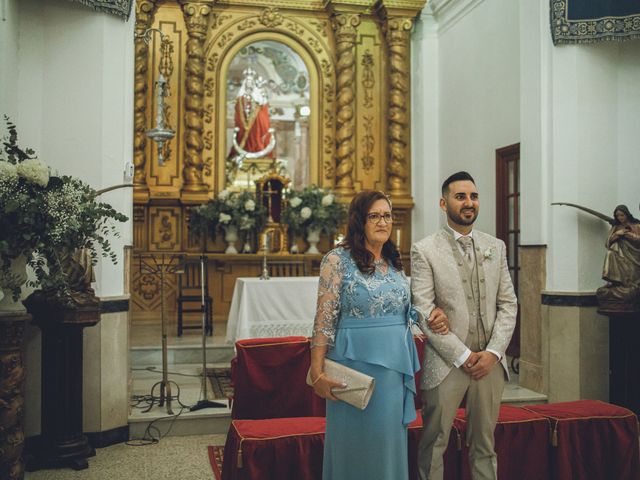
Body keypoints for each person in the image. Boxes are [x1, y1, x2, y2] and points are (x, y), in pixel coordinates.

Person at [310, 190, 449, 480]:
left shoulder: (394, 262)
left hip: (393, 369)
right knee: (354, 444)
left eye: (387, 215)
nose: (382, 222)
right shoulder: (336, 260)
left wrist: (430, 315)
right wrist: (317, 372)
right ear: (359, 221)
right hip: (353, 366)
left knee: (387, 442)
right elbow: (324, 319)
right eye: (374, 216)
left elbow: (405, 310)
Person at [411, 172, 517, 480]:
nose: (469, 203)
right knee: (435, 443)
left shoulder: (495, 246)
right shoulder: (425, 249)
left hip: (489, 364)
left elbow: (508, 304)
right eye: (460, 197)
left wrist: (493, 352)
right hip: (446, 363)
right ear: (444, 204)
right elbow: (422, 308)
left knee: (484, 444)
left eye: (473, 196)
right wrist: (463, 356)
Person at [602, 205, 640, 288]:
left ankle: (629, 282)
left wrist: (629, 235)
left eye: (622, 215)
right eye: (617, 216)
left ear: (627, 214)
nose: (620, 217)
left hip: (633, 254)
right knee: (610, 253)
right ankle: (613, 280)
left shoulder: (637, 225)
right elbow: (608, 243)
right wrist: (617, 234)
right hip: (619, 253)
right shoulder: (616, 227)